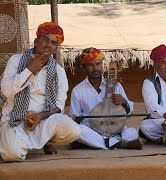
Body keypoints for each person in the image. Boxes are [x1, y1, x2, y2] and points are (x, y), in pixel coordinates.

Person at [0, 22, 80, 162]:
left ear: (56, 48)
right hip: (15, 120)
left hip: (43, 121)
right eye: (45, 40)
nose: (49, 45)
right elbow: (7, 91)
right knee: (11, 155)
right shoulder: (16, 61)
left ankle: (45, 141)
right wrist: (29, 70)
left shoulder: (59, 72)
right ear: (36, 41)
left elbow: (59, 106)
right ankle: (16, 143)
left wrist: (41, 116)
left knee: (74, 131)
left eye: (54, 43)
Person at [69, 47, 142, 150]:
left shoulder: (115, 85)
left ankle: (98, 143)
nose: (95, 68)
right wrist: (76, 119)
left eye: (98, 64)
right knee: (78, 130)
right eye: (90, 65)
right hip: (91, 129)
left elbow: (128, 115)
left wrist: (124, 102)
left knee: (132, 132)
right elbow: (74, 118)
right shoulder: (78, 90)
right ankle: (119, 144)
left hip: (115, 129)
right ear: (84, 67)